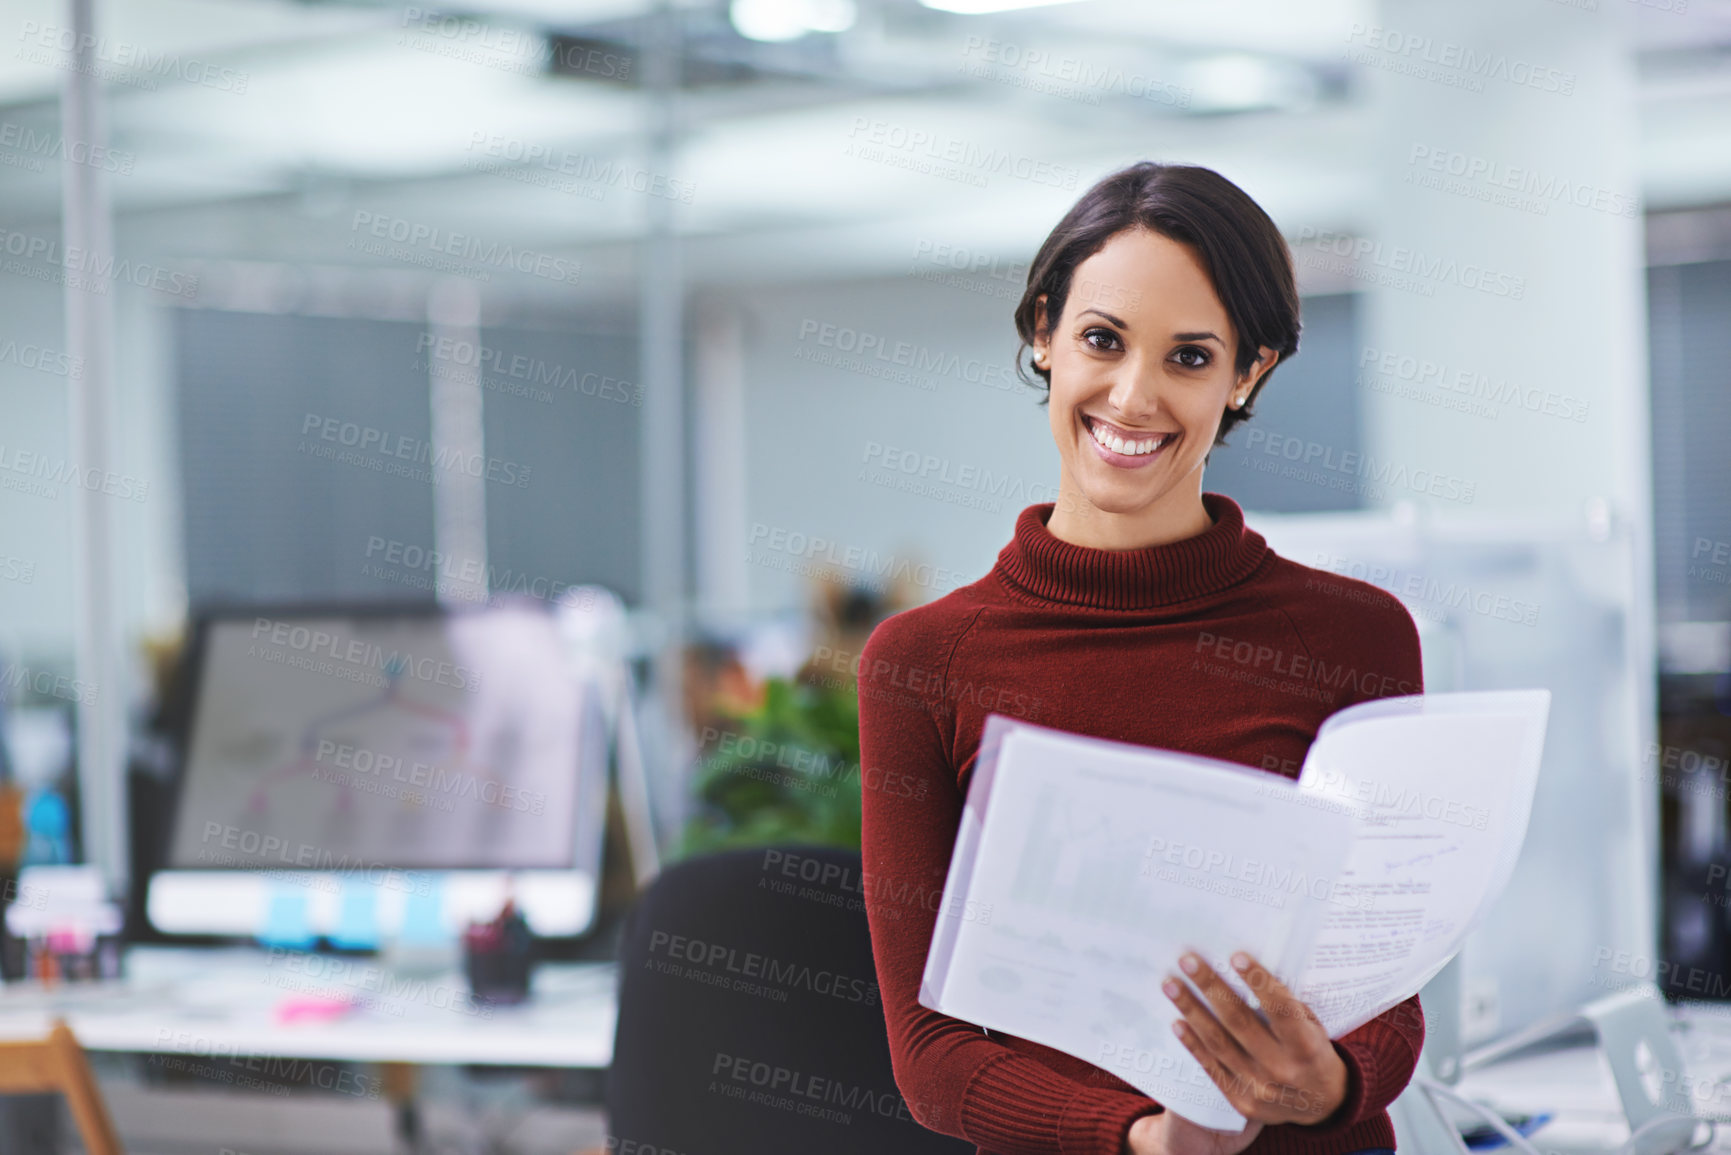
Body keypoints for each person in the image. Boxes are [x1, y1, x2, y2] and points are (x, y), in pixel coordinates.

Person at [855, 161, 1425, 1155]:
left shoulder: (1357, 638)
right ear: (1044, 331)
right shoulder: (923, 660)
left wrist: (1331, 1082)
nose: (1133, 395)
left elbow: (1387, 992)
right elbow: (927, 1050)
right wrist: (1141, 1138)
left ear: (1250, 372)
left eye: (1190, 358)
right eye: (1102, 340)